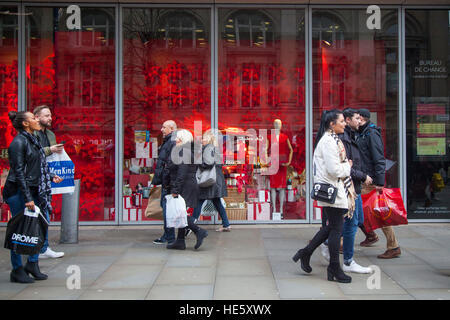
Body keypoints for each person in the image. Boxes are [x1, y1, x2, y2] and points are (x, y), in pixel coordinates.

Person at [292, 109, 354, 283]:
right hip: (333, 191)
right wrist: (347, 166)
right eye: (341, 121)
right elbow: (334, 170)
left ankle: (305, 253)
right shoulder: (328, 142)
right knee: (336, 230)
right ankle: (334, 268)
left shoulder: (332, 140)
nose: (344, 123)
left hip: (334, 190)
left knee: (330, 228)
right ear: (332, 124)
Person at [3, 111, 62, 283]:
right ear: (26, 124)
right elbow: (19, 172)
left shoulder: (33, 139)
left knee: (37, 227)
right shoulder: (18, 142)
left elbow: (37, 165)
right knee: (20, 231)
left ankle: (32, 264)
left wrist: (50, 175)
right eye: (33, 118)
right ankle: (17, 269)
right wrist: (28, 197)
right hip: (19, 192)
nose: (37, 120)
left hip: (34, 190)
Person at [357, 108, 401, 259]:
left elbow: (379, 158)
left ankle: (393, 246)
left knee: (378, 212)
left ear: (362, 119)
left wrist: (380, 182)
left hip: (370, 180)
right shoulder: (362, 133)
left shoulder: (371, 133)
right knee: (363, 210)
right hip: (364, 178)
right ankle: (372, 236)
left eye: (357, 118)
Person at [337, 108, 373, 273]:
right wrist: (363, 175)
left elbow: (354, 163)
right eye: (357, 118)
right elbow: (346, 167)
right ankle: (348, 261)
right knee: (351, 223)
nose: (360, 121)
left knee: (357, 220)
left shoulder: (352, 136)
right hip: (349, 186)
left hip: (354, 186)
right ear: (348, 120)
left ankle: (325, 244)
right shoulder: (343, 139)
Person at [162, 129, 208, 250]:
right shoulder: (185, 151)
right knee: (181, 212)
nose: (175, 140)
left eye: (177, 138)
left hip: (184, 186)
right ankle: (180, 241)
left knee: (179, 213)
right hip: (186, 185)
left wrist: (175, 190)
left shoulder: (183, 152)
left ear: (182, 139)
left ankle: (198, 231)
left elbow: (181, 173)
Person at [33, 105, 65, 259]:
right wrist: (50, 149)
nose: (50, 118)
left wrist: (52, 174)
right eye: (46, 115)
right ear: (37, 117)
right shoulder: (32, 134)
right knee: (38, 214)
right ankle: (38, 248)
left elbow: (48, 159)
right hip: (35, 178)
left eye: (50, 115)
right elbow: (35, 154)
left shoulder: (50, 134)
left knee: (45, 213)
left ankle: (43, 248)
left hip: (46, 176)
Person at [192, 130, 231, 232]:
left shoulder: (208, 148)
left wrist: (198, 161)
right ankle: (226, 224)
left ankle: (190, 225)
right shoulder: (214, 148)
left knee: (199, 201)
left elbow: (208, 163)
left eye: (204, 138)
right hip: (215, 180)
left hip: (209, 181)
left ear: (208, 139)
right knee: (217, 202)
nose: (202, 140)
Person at [152, 120, 177, 245]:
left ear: (171, 129)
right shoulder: (169, 141)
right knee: (167, 208)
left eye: (164, 127)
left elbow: (170, 164)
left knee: (168, 209)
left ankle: (169, 236)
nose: (161, 129)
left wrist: (166, 180)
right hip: (167, 181)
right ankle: (169, 234)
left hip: (168, 182)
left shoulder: (172, 142)